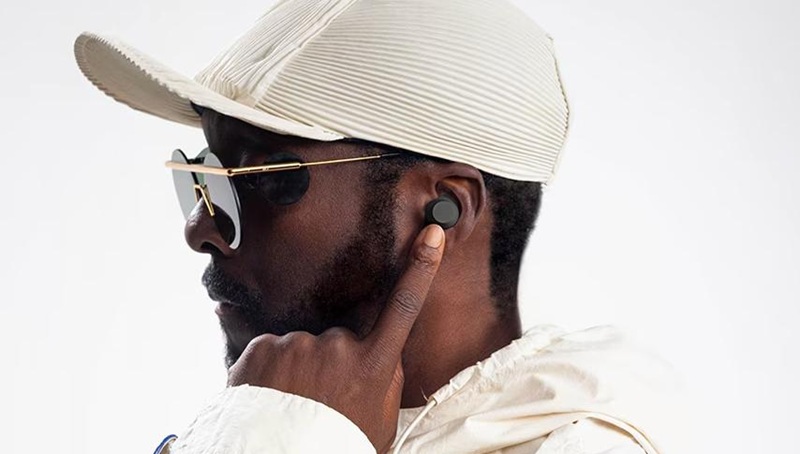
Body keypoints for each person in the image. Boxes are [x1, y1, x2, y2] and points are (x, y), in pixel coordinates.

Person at [74, 0, 683, 452]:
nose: (200, 227)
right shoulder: (279, 410)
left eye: (261, 177)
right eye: (203, 173)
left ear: (443, 208)